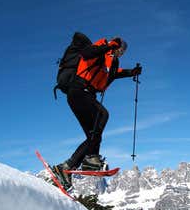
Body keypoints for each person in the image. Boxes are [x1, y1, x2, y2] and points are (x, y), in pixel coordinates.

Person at [52, 32, 142, 190]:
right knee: (102, 115)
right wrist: (108, 45)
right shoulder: (101, 48)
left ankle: (65, 168)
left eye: (123, 52)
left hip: (86, 94)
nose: (121, 53)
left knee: (93, 136)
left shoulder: (111, 61)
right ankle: (91, 159)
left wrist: (131, 73)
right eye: (120, 49)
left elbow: (114, 74)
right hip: (79, 90)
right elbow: (87, 53)